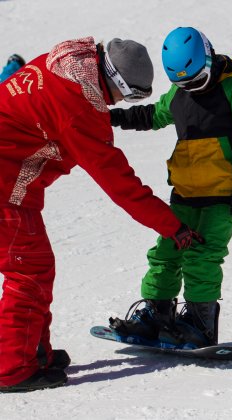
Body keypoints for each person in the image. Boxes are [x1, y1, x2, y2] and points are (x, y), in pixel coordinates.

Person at [0, 37, 203, 392]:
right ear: (115, 82)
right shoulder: (79, 107)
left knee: (35, 266)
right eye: (127, 95)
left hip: (15, 183)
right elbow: (118, 182)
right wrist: (172, 226)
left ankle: (32, 350)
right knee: (28, 270)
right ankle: (13, 368)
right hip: (6, 189)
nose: (122, 103)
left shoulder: (62, 64)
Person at [108, 27, 232, 348]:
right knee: (165, 253)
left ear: (208, 59)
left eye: (197, 79)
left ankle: (199, 322)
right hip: (184, 192)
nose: (192, 88)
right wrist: (110, 118)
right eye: (184, 84)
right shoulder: (180, 94)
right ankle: (156, 315)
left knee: (202, 257)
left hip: (223, 194)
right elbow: (152, 115)